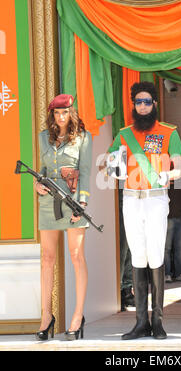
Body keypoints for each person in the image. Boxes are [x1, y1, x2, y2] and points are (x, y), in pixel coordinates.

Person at [101, 81, 181, 340]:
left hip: (156, 198)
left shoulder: (169, 132)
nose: (143, 106)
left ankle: (157, 321)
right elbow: (108, 163)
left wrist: (167, 173)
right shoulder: (124, 134)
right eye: (139, 102)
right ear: (134, 106)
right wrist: (109, 164)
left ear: (155, 105)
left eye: (147, 101)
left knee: (156, 254)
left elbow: (180, 169)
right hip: (131, 199)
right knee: (137, 255)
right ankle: (140, 322)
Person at [35, 94, 92, 341]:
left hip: (72, 200)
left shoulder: (82, 137)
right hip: (49, 203)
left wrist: (83, 201)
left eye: (65, 113)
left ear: (71, 113)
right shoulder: (42, 138)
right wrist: (37, 185)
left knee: (77, 256)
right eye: (57, 113)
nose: (60, 117)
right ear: (52, 115)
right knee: (47, 258)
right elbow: (44, 171)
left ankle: (77, 316)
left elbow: (86, 171)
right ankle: (46, 316)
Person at [164, 178, 181, 283]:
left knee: (180, 248)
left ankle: (180, 273)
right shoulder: (164, 174)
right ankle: (167, 274)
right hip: (168, 216)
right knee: (166, 248)